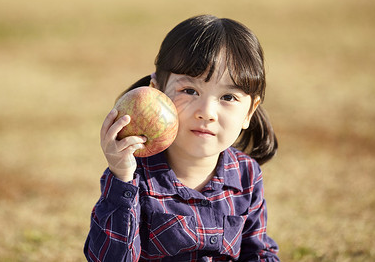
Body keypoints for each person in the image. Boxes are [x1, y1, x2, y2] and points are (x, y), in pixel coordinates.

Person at [84, 15, 280, 261]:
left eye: (228, 97)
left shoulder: (246, 174)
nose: (206, 113)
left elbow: (257, 252)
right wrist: (122, 177)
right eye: (189, 91)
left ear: (249, 112)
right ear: (157, 93)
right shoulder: (133, 177)